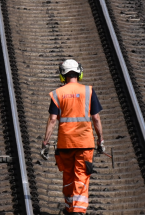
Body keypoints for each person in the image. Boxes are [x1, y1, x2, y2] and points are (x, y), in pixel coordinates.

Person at [41, 59, 105, 214]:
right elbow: (96, 118)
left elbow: (52, 120)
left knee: (69, 176)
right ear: (79, 73)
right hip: (85, 143)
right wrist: (100, 140)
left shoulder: (58, 93)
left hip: (65, 144)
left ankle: (70, 208)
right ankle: (78, 210)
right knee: (81, 175)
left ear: (62, 76)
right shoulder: (89, 91)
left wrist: (45, 143)